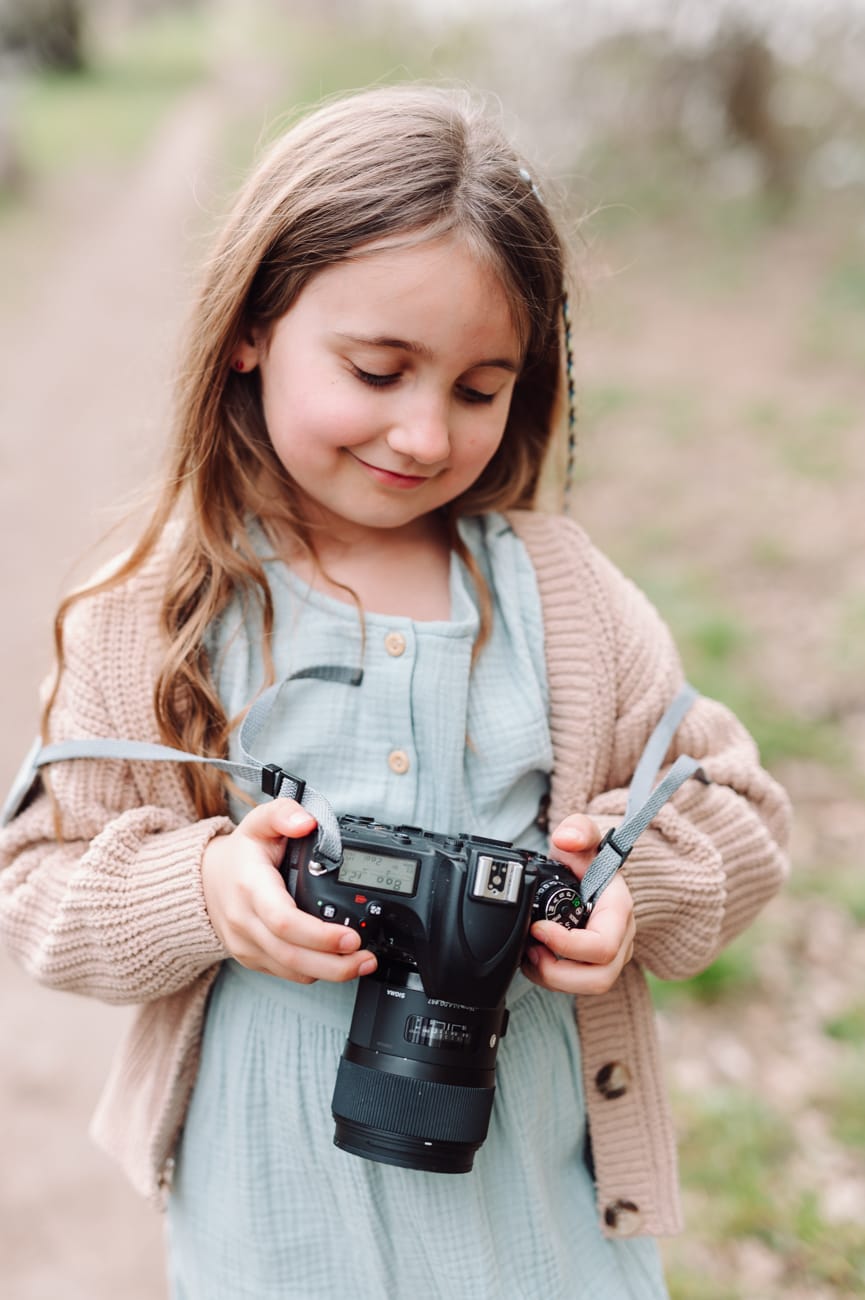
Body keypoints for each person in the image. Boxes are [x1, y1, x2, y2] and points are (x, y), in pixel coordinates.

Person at [0, 84, 790, 1299]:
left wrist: (637, 884)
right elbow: (34, 885)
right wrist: (204, 886)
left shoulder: (561, 600)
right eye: (378, 371)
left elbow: (740, 804)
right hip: (274, 1226)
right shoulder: (154, 612)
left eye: (480, 389)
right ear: (252, 327)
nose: (423, 433)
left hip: (539, 1219)